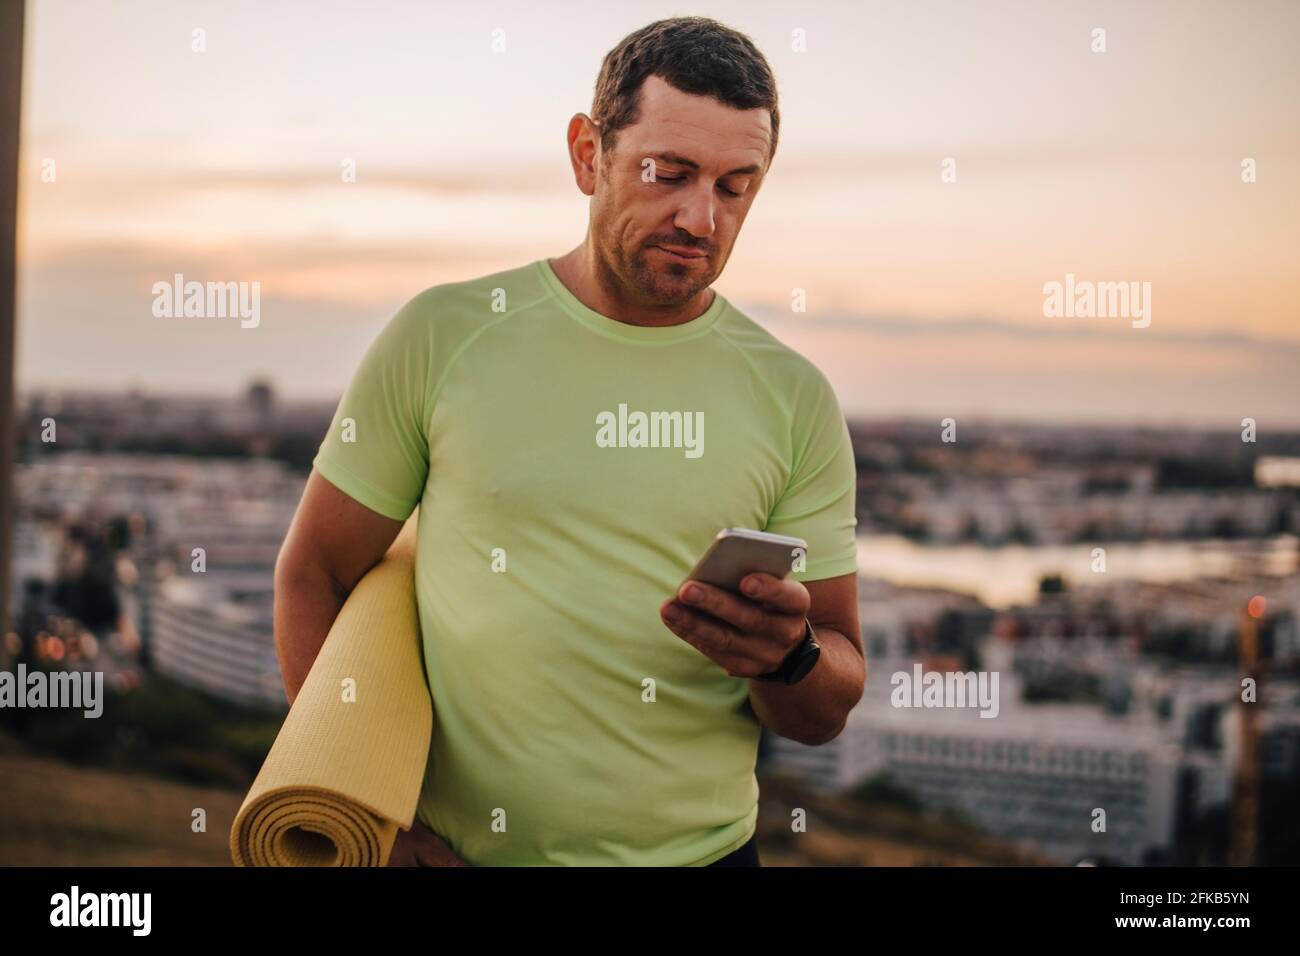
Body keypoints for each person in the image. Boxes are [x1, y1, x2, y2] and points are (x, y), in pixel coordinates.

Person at [275, 16, 864, 867]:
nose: (701, 218)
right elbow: (315, 573)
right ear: (589, 154)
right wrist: (377, 831)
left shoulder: (796, 398)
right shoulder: (445, 337)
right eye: (670, 173)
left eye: (737, 187)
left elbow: (828, 705)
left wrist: (789, 657)